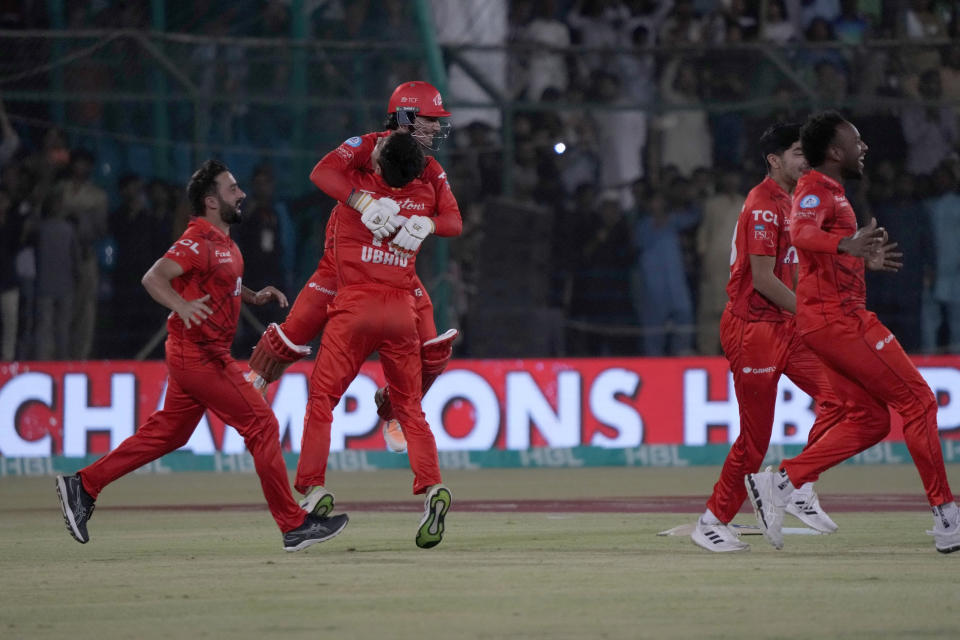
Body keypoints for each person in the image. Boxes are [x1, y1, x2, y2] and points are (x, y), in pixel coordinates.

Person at [55, 160, 348, 553]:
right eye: (232, 189)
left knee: (169, 433)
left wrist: (251, 295)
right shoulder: (197, 240)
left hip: (196, 353)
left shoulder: (223, 243)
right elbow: (153, 277)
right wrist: (181, 305)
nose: (241, 193)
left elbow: (221, 282)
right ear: (211, 201)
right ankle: (294, 525)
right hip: (200, 357)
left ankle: (84, 485)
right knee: (262, 425)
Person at [745, 111, 960, 554]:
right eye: (856, 140)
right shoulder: (815, 191)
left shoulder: (830, 192)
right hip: (840, 321)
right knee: (918, 402)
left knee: (871, 420)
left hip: (827, 321)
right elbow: (802, 233)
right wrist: (845, 245)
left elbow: (816, 249)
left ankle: (780, 483)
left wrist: (856, 258)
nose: (864, 147)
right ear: (836, 151)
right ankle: (947, 517)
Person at [246, 80, 462, 453]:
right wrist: (360, 201)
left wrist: (427, 224)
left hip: (395, 273)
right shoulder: (366, 146)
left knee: (433, 350)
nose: (437, 128)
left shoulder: (428, 167)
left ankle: (394, 412)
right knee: (296, 329)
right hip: (342, 267)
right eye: (430, 120)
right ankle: (255, 379)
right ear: (406, 117)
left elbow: (454, 222)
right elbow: (321, 173)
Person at [294, 131, 451, 549]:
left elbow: (325, 173)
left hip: (354, 309)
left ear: (378, 167)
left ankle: (312, 489)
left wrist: (361, 198)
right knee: (410, 410)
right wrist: (429, 223)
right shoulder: (420, 203)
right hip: (401, 313)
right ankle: (433, 487)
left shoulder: (357, 192)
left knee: (322, 401)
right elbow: (452, 222)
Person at [692, 123, 844, 553]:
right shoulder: (763, 205)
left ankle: (795, 485)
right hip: (753, 328)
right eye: (799, 153)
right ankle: (712, 521)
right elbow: (761, 280)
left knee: (843, 396)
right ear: (774, 161)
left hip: (785, 325)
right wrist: (814, 312)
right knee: (755, 442)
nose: (807, 161)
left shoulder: (798, 199)